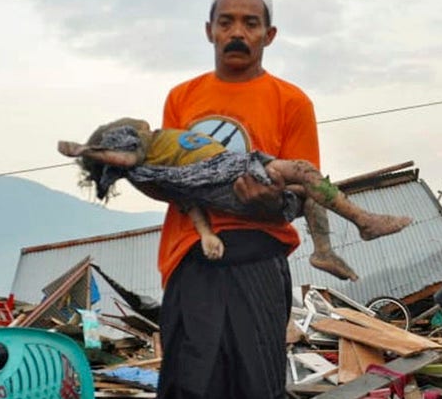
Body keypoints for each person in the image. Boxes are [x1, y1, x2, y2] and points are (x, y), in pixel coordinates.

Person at [150, 0, 322, 399]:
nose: (237, 33)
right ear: (209, 32)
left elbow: (304, 191)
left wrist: (269, 201)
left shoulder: (290, 102)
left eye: (250, 23)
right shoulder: (181, 97)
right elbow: (172, 177)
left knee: (258, 383)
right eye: (227, 22)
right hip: (192, 252)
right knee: (195, 387)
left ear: (269, 36)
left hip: (259, 251)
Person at [57, 117, 412, 281]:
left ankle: (323, 251)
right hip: (227, 175)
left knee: (309, 192)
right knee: (303, 170)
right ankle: (365, 222)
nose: (142, 124)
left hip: (232, 167)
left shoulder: (158, 151)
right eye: (133, 128)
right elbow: (177, 191)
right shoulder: (142, 162)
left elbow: (184, 198)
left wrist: (206, 234)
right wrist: (87, 151)